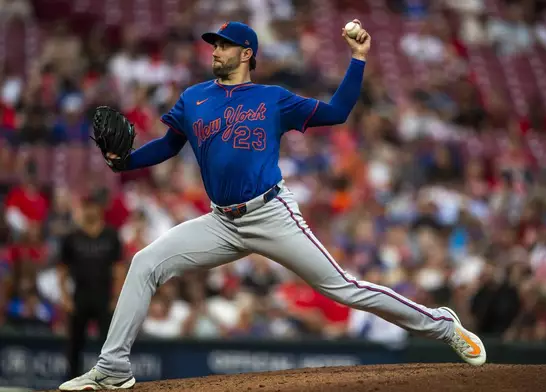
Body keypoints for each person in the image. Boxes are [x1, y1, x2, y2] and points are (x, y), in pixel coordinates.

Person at [59, 20, 486, 391]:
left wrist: (358, 57)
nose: (216, 50)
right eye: (214, 44)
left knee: (343, 288)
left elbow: (337, 111)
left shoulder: (272, 98)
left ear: (247, 53)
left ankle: (442, 325)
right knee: (145, 263)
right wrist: (126, 162)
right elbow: (168, 147)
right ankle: (113, 369)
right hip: (221, 222)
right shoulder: (193, 98)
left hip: (270, 213)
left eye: (224, 44)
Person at [57, 194, 125, 380]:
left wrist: (116, 297)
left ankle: (109, 378)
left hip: (104, 296)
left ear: (99, 210)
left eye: (93, 207)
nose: (89, 211)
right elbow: (62, 270)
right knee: (75, 344)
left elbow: (118, 269)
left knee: (109, 343)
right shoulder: (72, 237)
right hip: (80, 295)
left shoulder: (111, 236)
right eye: (86, 207)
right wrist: (65, 297)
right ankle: (71, 379)